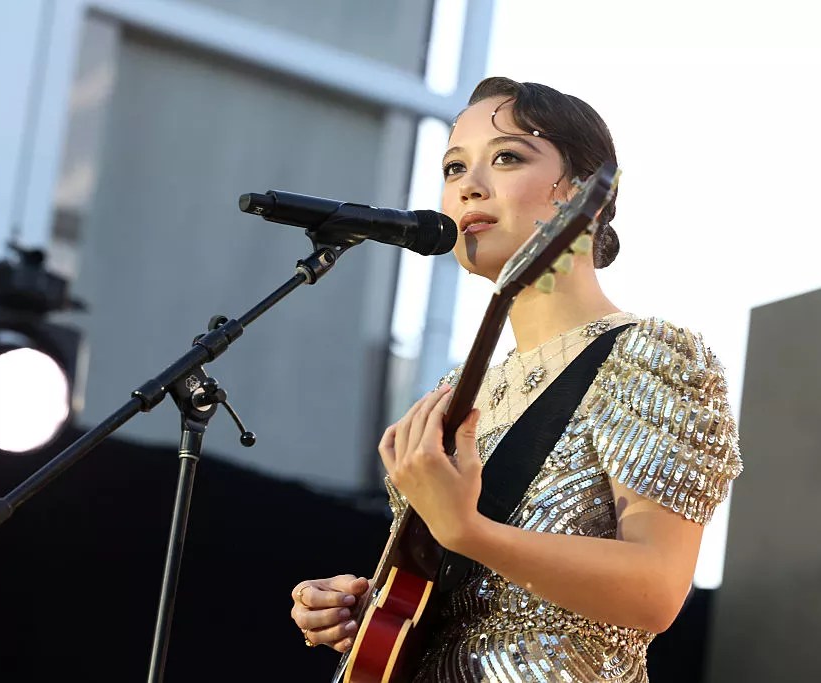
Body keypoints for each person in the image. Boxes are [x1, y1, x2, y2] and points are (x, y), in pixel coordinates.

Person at [289, 76, 744, 682]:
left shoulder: (653, 355)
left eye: (506, 157)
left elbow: (657, 591)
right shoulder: (456, 393)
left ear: (587, 193)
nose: (469, 186)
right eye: (453, 169)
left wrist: (468, 531)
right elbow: (454, 599)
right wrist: (369, 613)